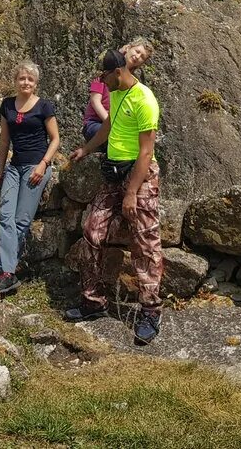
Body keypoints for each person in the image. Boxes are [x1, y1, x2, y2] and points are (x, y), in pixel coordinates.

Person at [64, 49, 164, 345]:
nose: (101, 81)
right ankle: (93, 300)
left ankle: (150, 310)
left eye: (104, 76)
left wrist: (131, 193)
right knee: (91, 232)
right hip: (113, 173)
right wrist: (86, 149)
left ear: (118, 72)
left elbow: (146, 151)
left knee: (145, 242)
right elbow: (108, 127)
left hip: (140, 175)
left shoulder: (144, 99)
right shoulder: (117, 94)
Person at [0, 61, 60, 295]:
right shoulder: (8, 105)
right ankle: (7, 272)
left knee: (21, 220)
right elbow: (4, 141)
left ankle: (4, 272)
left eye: (30, 79)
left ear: (36, 83)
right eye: (22, 79)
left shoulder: (43, 106)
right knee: (5, 215)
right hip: (14, 166)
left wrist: (43, 165)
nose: (26, 82)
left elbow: (56, 139)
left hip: (35, 166)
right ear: (15, 81)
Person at [81, 38, 153, 141]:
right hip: (95, 123)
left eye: (142, 57)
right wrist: (113, 125)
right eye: (137, 51)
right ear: (128, 48)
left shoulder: (133, 81)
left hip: (116, 124)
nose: (137, 57)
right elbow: (95, 101)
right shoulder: (108, 64)